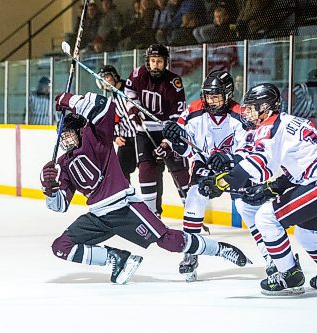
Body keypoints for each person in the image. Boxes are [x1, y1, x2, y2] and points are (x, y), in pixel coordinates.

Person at [40, 90, 251, 284]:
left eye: (69, 133)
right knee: (61, 247)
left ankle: (220, 249)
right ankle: (117, 258)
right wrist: (49, 189)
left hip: (124, 207)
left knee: (168, 241)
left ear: (80, 130)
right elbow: (59, 206)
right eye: (62, 135)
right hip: (97, 215)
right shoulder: (61, 164)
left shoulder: (96, 137)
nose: (65, 139)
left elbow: (104, 105)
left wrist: (68, 100)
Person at [199, 83, 317, 295]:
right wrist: (272, 187)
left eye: (253, 107)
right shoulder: (290, 121)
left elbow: (257, 163)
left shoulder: (270, 127)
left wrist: (220, 183)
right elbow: (301, 165)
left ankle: (289, 275)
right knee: (306, 233)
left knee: (266, 217)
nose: (248, 112)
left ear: (266, 107)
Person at [162, 70, 274, 281]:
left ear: (228, 94)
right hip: (204, 164)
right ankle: (191, 253)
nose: (210, 100)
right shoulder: (194, 110)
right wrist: (174, 137)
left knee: (247, 208)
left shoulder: (240, 114)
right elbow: (185, 148)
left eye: (216, 96)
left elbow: (249, 149)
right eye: (207, 95)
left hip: (233, 166)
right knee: (194, 200)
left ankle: (272, 256)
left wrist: (229, 159)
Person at [124, 44, 189, 216]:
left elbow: (179, 114)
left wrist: (167, 142)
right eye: (153, 61)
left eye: (159, 61)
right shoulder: (138, 74)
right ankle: (151, 213)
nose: (155, 65)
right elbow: (129, 91)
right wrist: (133, 109)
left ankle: (192, 211)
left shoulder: (174, 82)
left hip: (168, 130)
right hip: (144, 131)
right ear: (148, 61)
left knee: (179, 171)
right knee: (146, 169)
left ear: (165, 62)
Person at [96, 65, 137, 182]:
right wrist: (115, 137)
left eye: (107, 77)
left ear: (114, 76)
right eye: (101, 80)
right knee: (120, 172)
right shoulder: (113, 100)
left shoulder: (130, 90)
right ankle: (127, 197)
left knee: (147, 172)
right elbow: (114, 120)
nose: (104, 82)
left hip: (141, 136)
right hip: (126, 140)